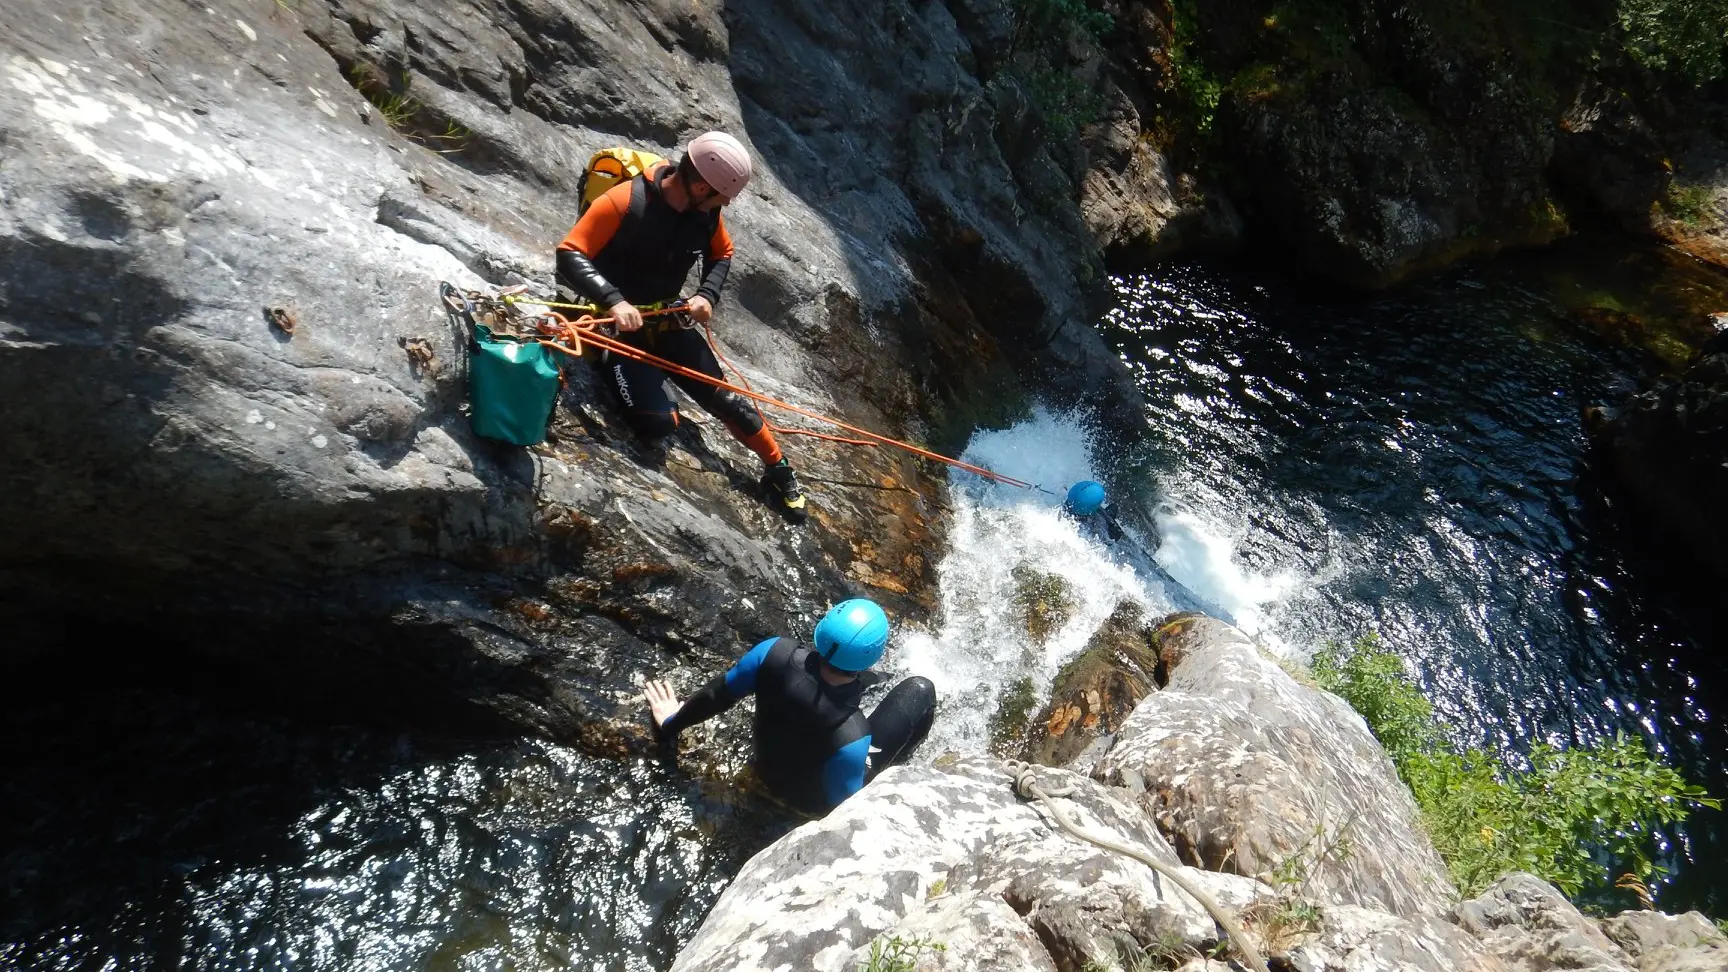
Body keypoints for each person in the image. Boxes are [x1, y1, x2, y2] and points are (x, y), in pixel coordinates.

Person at [556, 131, 805, 514]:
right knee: (658, 423)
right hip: (614, 327)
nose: (726, 204)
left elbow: (723, 254)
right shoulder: (626, 201)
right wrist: (614, 301)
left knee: (726, 400)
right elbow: (570, 253)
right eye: (724, 196)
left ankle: (778, 468)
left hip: (667, 319)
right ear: (702, 186)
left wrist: (706, 295)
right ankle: (616, 366)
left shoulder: (705, 213)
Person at [643, 598, 938, 815]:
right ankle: (903, 766)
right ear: (870, 657)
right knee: (920, 689)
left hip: (764, 769)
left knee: (873, 683)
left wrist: (670, 723)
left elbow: (715, 696)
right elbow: (845, 810)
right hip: (809, 804)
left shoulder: (772, 653)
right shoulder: (852, 734)